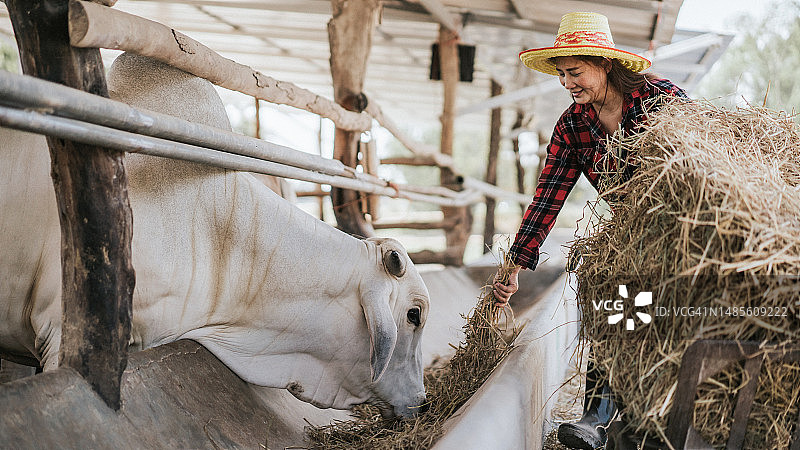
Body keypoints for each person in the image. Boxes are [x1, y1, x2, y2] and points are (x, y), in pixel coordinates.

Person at [491, 12, 689, 450]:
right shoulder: (572, 126)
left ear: (603, 63)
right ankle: (596, 419)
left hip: (684, 229)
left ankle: (651, 418)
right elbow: (548, 197)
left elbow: (702, 166)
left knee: (665, 324)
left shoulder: (662, 101)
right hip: (631, 236)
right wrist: (514, 265)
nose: (567, 84)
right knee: (613, 296)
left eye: (574, 72)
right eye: (562, 75)